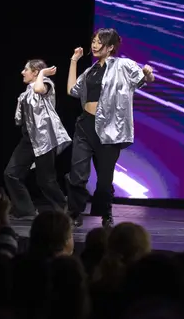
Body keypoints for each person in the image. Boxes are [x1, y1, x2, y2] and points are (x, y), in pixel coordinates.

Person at [66, 28, 155, 228]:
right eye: (94, 41)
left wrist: (148, 75)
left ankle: (105, 213)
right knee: (77, 173)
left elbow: (143, 80)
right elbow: (72, 90)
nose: (94, 45)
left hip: (109, 129)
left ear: (110, 47)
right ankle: (73, 213)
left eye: (99, 42)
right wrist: (74, 60)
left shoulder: (123, 65)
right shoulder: (91, 71)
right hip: (85, 125)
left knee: (105, 180)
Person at [4, 60, 71, 219]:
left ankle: (66, 211)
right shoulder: (26, 92)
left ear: (34, 72)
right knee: (11, 174)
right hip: (29, 139)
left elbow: (39, 88)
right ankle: (25, 209)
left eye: (26, 69)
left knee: (46, 181)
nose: (22, 72)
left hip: (44, 139)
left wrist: (42, 73)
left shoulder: (46, 84)